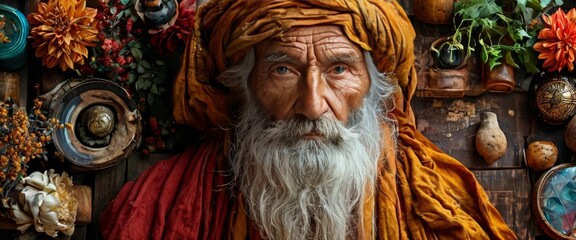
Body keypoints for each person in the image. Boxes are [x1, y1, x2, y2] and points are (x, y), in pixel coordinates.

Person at [100, 0, 518, 239]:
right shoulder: (164, 207)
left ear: (374, 84)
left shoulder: (435, 198)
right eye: (283, 69)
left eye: (339, 69)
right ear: (245, 84)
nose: (313, 105)